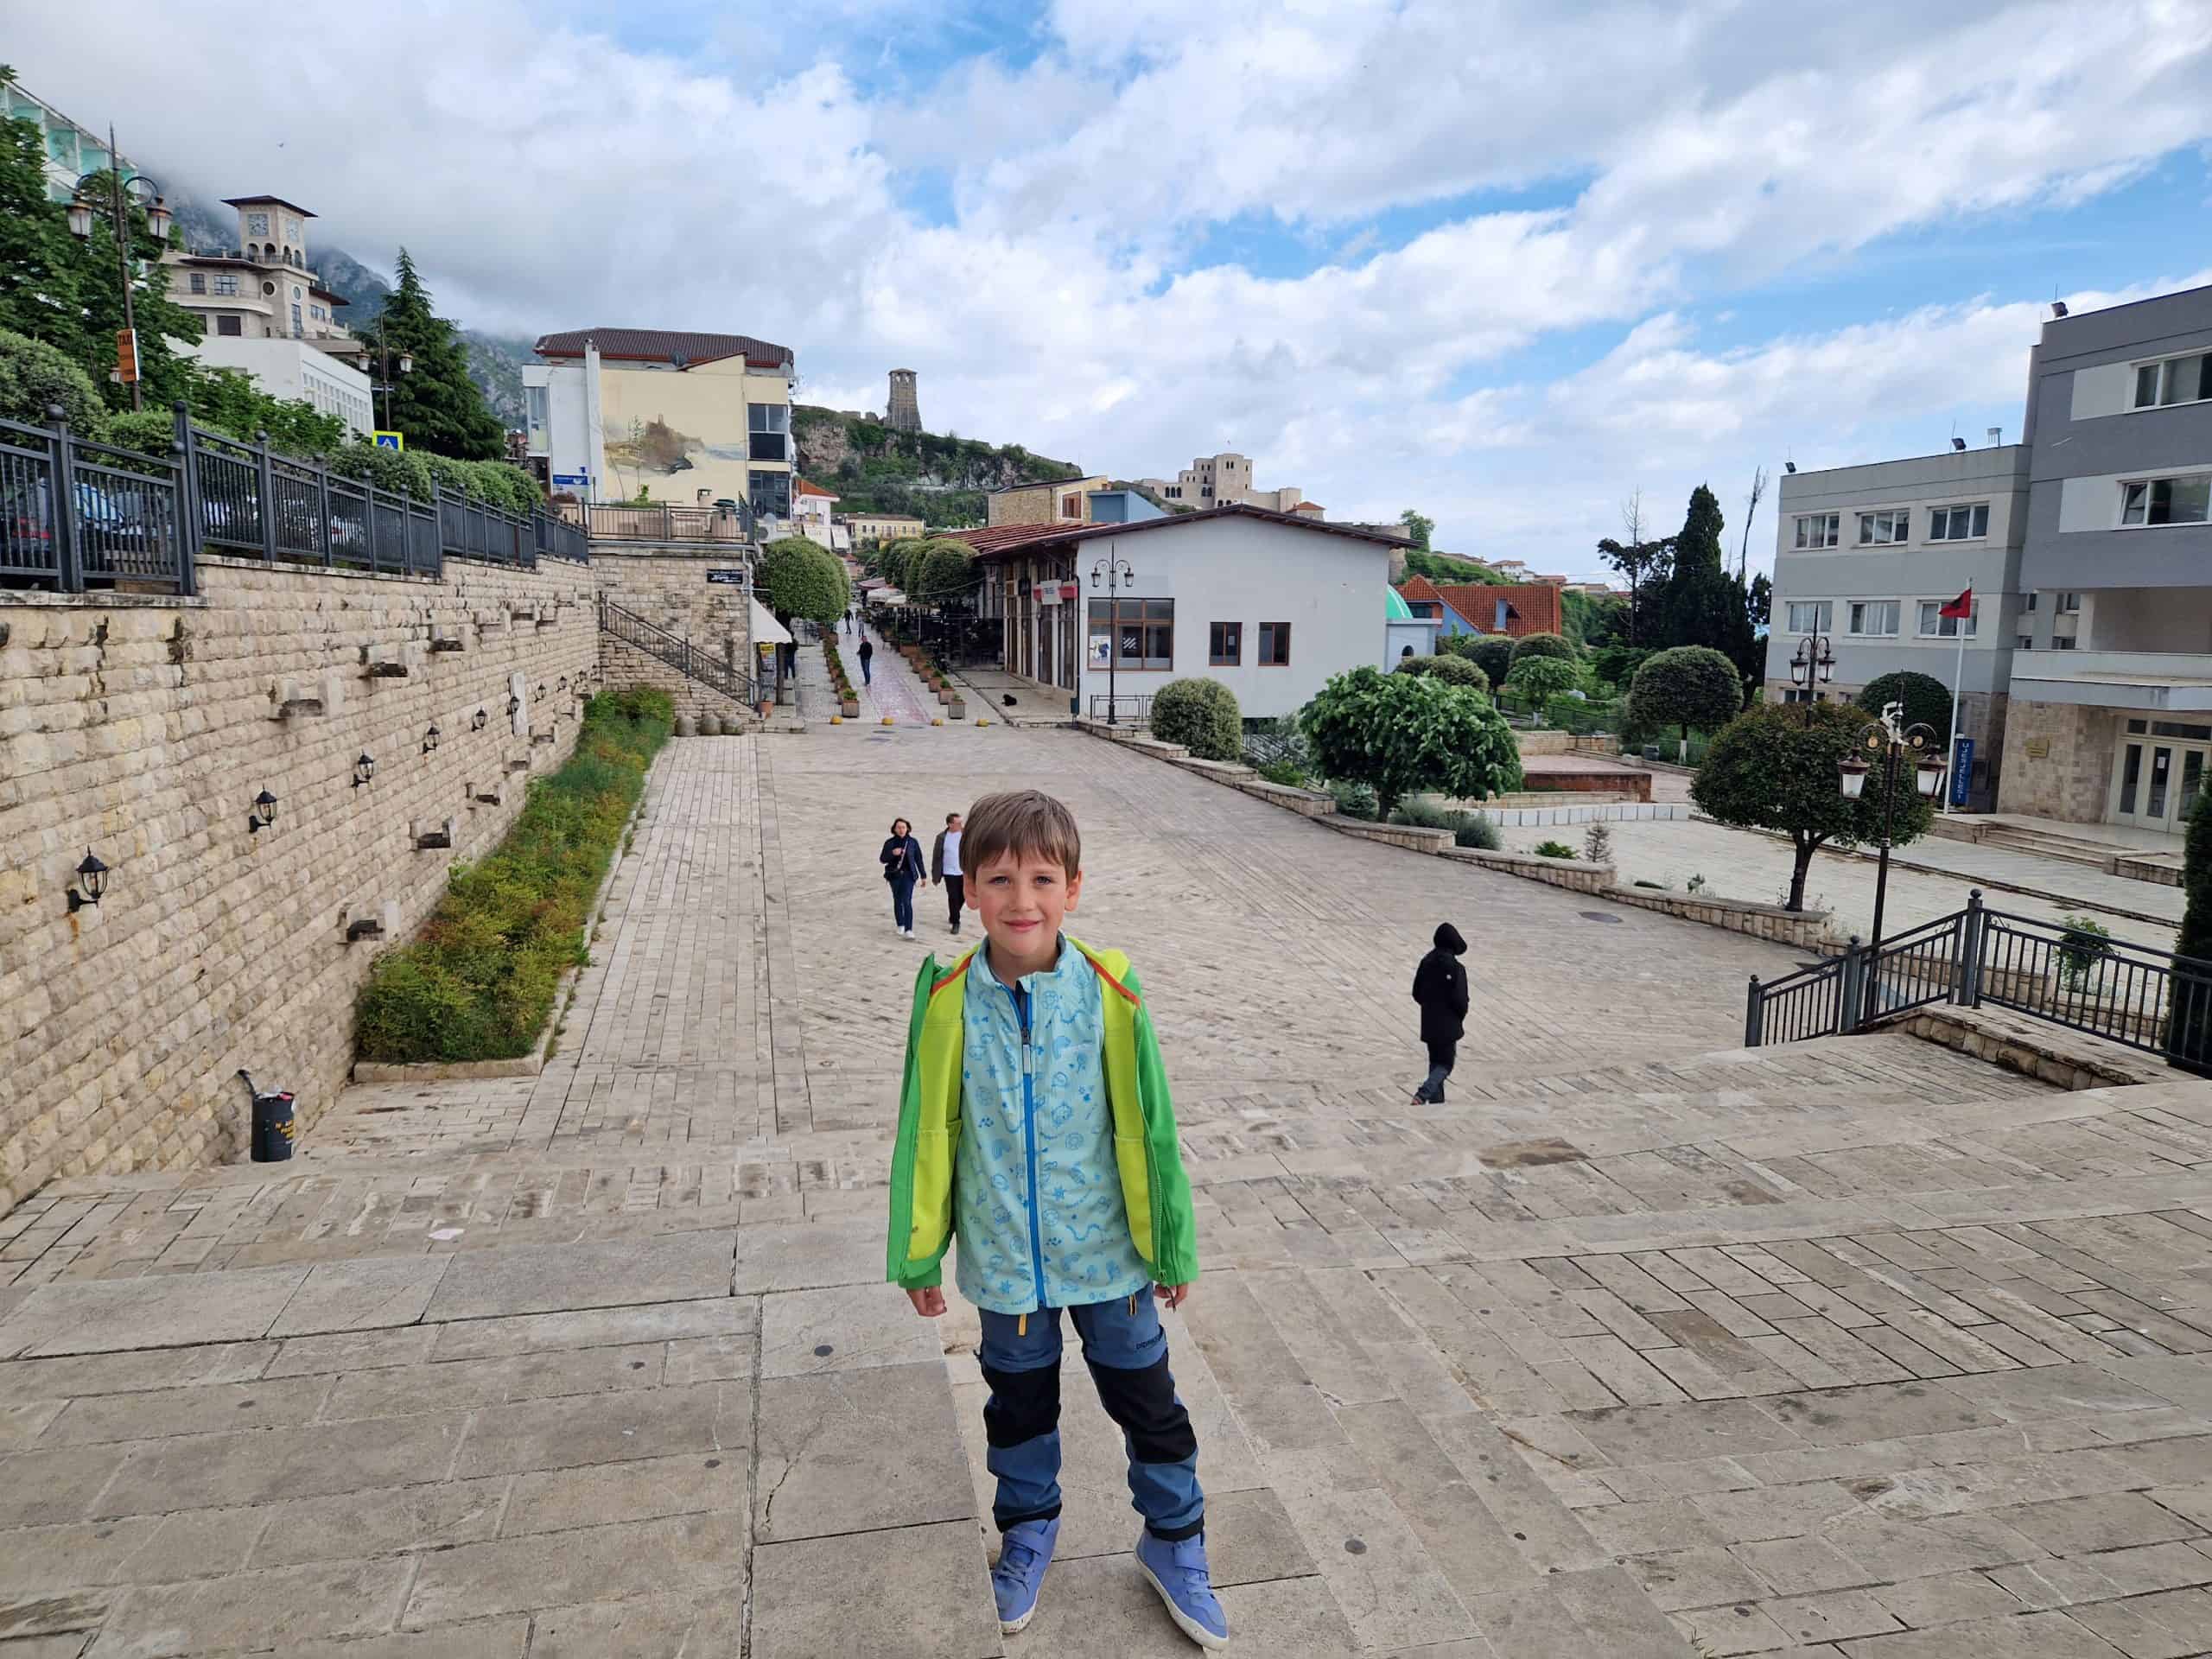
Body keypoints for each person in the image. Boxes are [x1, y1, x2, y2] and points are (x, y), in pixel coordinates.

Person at [886, 791, 1225, 1649]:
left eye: (1042, 879)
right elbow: (926, 1129)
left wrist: (1173, 1244)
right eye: (1000, 879)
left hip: (1110, 1257)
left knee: (1150, 1405)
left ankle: (1174, 1538)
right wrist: (918, 1254)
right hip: (1006, 1262)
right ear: (968, 886)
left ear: (1073, 887)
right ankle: (1028, 1531)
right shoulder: (947, 996)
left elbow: (1152, 1126)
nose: (1021, 900)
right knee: (1019, 1409)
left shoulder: (1111, 991)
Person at [1410, 922, 1469, 1104]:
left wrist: (1429, 1006)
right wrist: (1458, 1016)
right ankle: (1423, 1094)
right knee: (1445, 1065)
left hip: (1429, 1022)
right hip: (1448, 1025)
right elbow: (1461, 1000)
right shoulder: (1456, 968)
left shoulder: (1426, 962)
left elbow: (1416, 992)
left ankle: (1436, 1105)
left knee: (1435, 1062)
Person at [880, 817, 925, 937]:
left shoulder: (912, 842)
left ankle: (909, 929)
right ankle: (900, 924)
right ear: (894, 829)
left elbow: (918, 859)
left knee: (907, 900)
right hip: (894, 875)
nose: (901, 830)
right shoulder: (889, 843)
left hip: (909, 875)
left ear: (907, 828)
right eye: (899, 827)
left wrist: (923, 875)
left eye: (903, 827)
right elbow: (882, 859)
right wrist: (892, 853)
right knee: (897, 900)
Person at [931, 810, 967, 937]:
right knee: (953, 896)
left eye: (961, 822)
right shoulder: (942, 837)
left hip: (964, 871)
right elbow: (936, 857)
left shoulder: (966, 835)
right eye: (958, 823)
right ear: (950, 824)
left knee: (964, 895)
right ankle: (956, 922)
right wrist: (935, 876)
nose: (961, 825)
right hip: (949, 872)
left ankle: (954, 913)